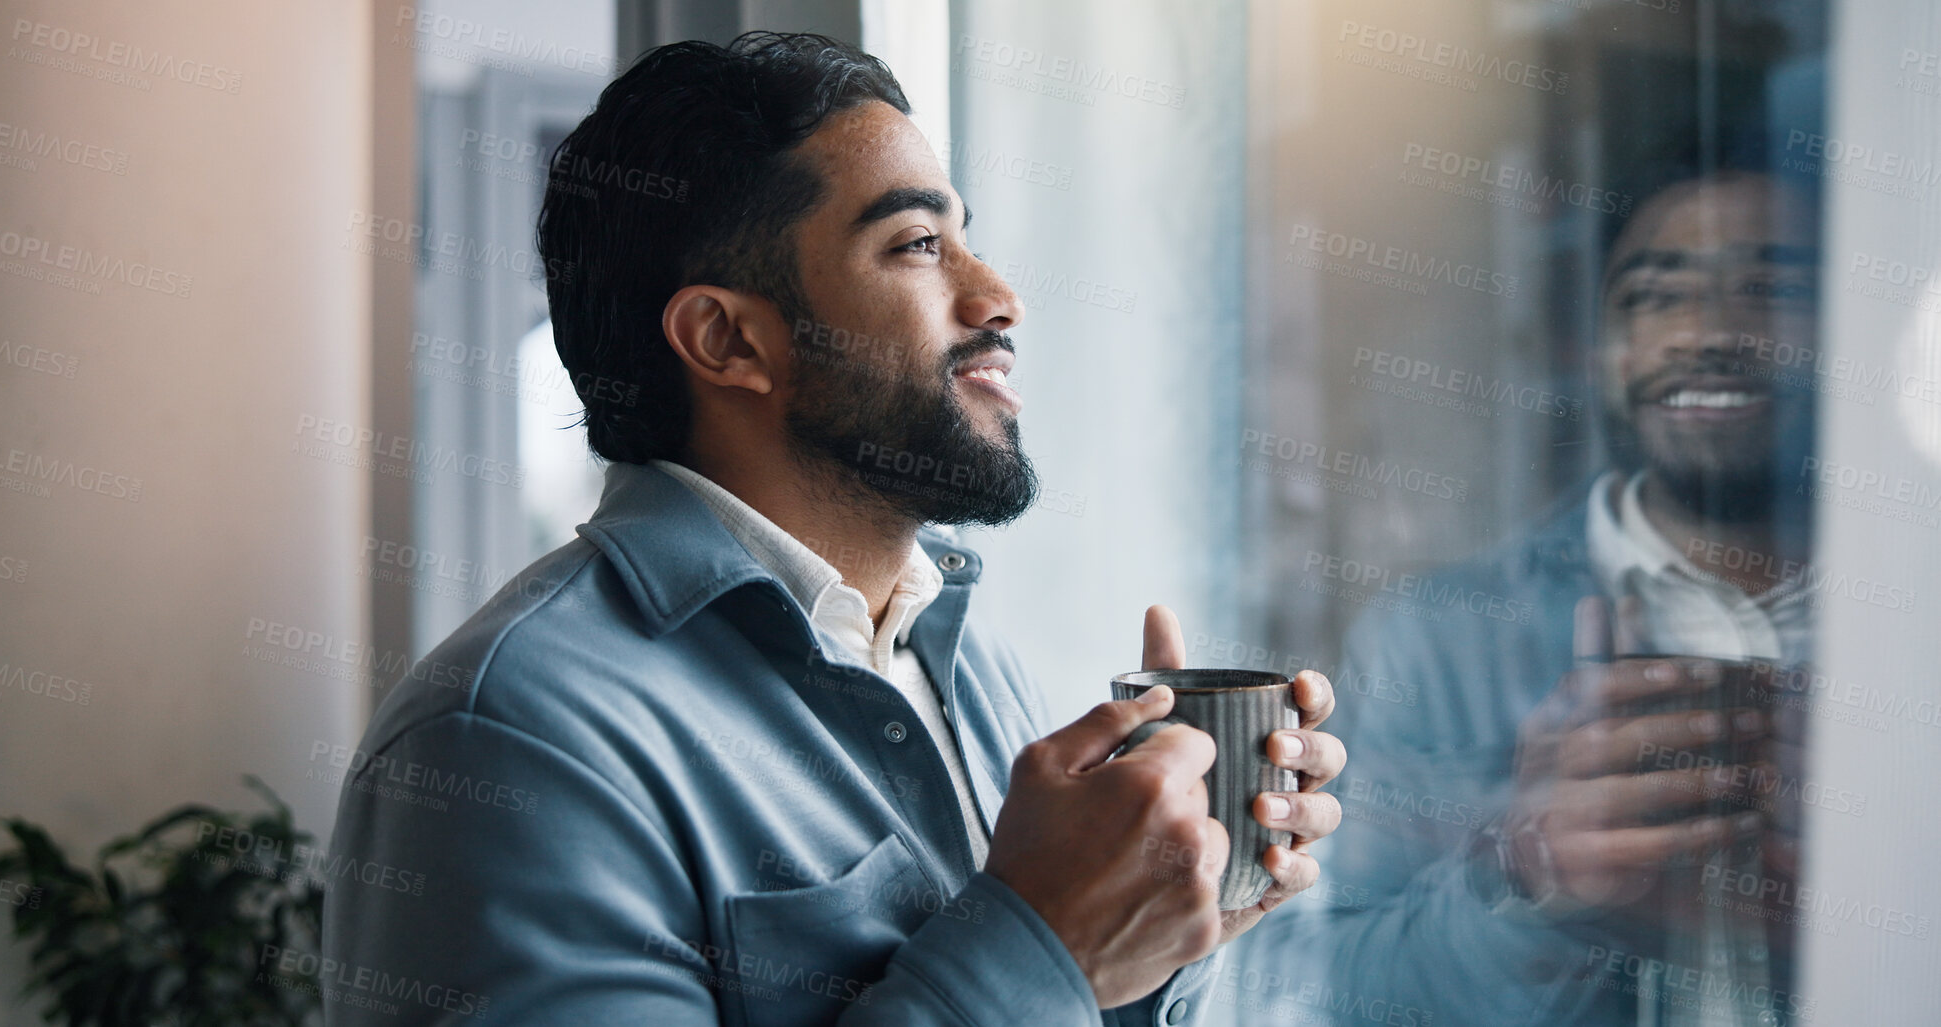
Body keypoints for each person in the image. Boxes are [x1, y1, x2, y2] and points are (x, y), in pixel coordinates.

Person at [319, 32, 1346, 1026]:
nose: (999, 297)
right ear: (728, 340)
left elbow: (1058, 988)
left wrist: (1157, 917)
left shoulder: (967, 659)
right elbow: (1031, 967)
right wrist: (1043, 941)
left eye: (967, 237)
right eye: (916, 246)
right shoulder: (507, 739)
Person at [1229, 170, 1819, 1027]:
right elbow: (1328, 995)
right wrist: (1528, 875)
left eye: (1772, 289)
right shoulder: (1437, 637)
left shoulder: (1911, 622)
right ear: (1597, 350)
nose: (1706, 331)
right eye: (1655, 296)